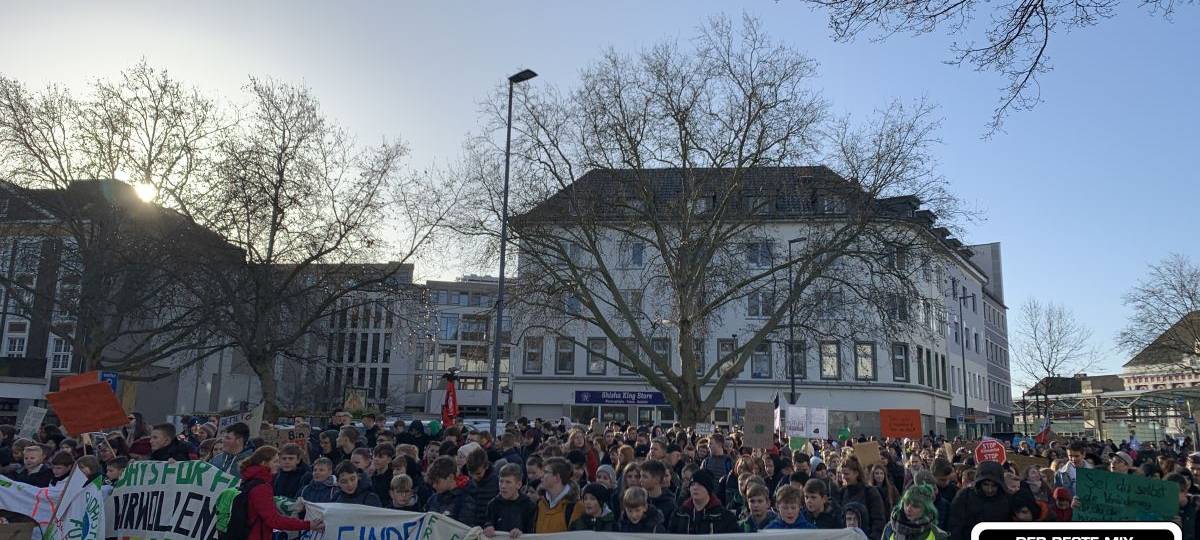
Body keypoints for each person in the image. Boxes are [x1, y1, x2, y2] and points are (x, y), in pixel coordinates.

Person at [236, 446, 323, 540]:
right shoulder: (261, 487)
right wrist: (308, 525)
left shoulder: (249, 479)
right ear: (264, 463)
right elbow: (274, 520)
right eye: (275, 461)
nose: (279, 464)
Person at [948, 461, 1012, 540]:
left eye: (994, 485)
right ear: (979, 483)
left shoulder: (1006, 499)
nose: (989, 490)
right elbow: (955, 526)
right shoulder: (964, 496)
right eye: (986, 484)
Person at [667, 469, 739, 534]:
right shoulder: (679, 514)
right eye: (692, 484)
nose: (695, 487)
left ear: (708, 488)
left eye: (700, 484)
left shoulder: (725, 517)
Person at [836, 457, 885, 539]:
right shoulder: (841, 493)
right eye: (842, 474)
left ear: (856, 473)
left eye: (847, 474)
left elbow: (878, 520)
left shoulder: (870, 492)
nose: (843, 477)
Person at [483, 463, 536, 538]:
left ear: (519, 485)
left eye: (508, 482)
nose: (503, 486)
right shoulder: (493, 504)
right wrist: (488, 527)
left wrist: (521, 533)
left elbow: (533, 533)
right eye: (501, 481)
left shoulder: (529, 506)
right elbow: (487, 522)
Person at [534, 457, 584, 533]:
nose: (541, 476)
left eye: (546, 472)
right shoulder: (539, 504)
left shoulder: (576, 507)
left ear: (557, 477)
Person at [883, 484, 949, 540]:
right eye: (906, 503)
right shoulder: (890, 528)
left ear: (926, 509)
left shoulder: (939, 535)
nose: (908, 509)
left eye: (915, 506)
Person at [426, 455, 477, 526]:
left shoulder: (465, 499)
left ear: (450, 477)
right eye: (432, 482)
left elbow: (464, 528)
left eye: (437, 482)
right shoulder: (433, 499)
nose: (434, 486)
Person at [466, 447, 500, 527]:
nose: (474, 477)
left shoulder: (497, 483)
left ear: (486, 466)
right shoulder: (469, 484)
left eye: (478, 473)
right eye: (471, 473)